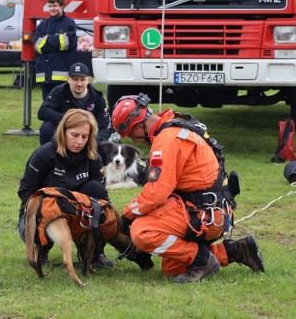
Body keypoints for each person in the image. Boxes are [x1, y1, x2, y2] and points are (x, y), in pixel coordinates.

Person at [110, 94, 265, 283]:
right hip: (209, 209)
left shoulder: (167, 140)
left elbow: (156, 194)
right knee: (173, 268)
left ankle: (203, 260)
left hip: (203, 214)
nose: (134, 141)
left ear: (138, 125)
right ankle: (234, 250)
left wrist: (128, 215)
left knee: (142, 231)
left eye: (131, 135)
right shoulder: (174, 126)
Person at [17, 109, 113, 268]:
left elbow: (102, 197)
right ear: (63, 132)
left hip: (77, 213)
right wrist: (46, 212)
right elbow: (26, 191)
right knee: (38, 219)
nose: (80, 142)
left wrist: (107, 221)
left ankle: (94, 253)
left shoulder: (94, 158)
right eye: (74, 135)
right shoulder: (43, 154)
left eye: (84, 136)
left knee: (97, 194)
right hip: (45, 211)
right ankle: (40, 248)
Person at [37, 62, 109, 147]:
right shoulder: (59, 91)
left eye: (82, 79)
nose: (79, 83)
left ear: (88, 80)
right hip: (64, 129)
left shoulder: (97, 97)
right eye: (75, 79)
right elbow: (43, 112)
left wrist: (94, 143)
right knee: (47, 128)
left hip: (87, 134)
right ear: (68, 79)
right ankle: (49, 156)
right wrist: (70, 119)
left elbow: (105, 126)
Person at [34, 0, 77, 100]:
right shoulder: (43, 25)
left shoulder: (69, 23)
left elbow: (67, 42)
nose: (52, 9)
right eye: (50, 6)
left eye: (55, 6)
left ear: (62, 6)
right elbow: (38, 46)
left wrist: (47, 39)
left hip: (62, 75)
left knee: (62, 106)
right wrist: (57, 40)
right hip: (45, 75)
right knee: (47, 107)